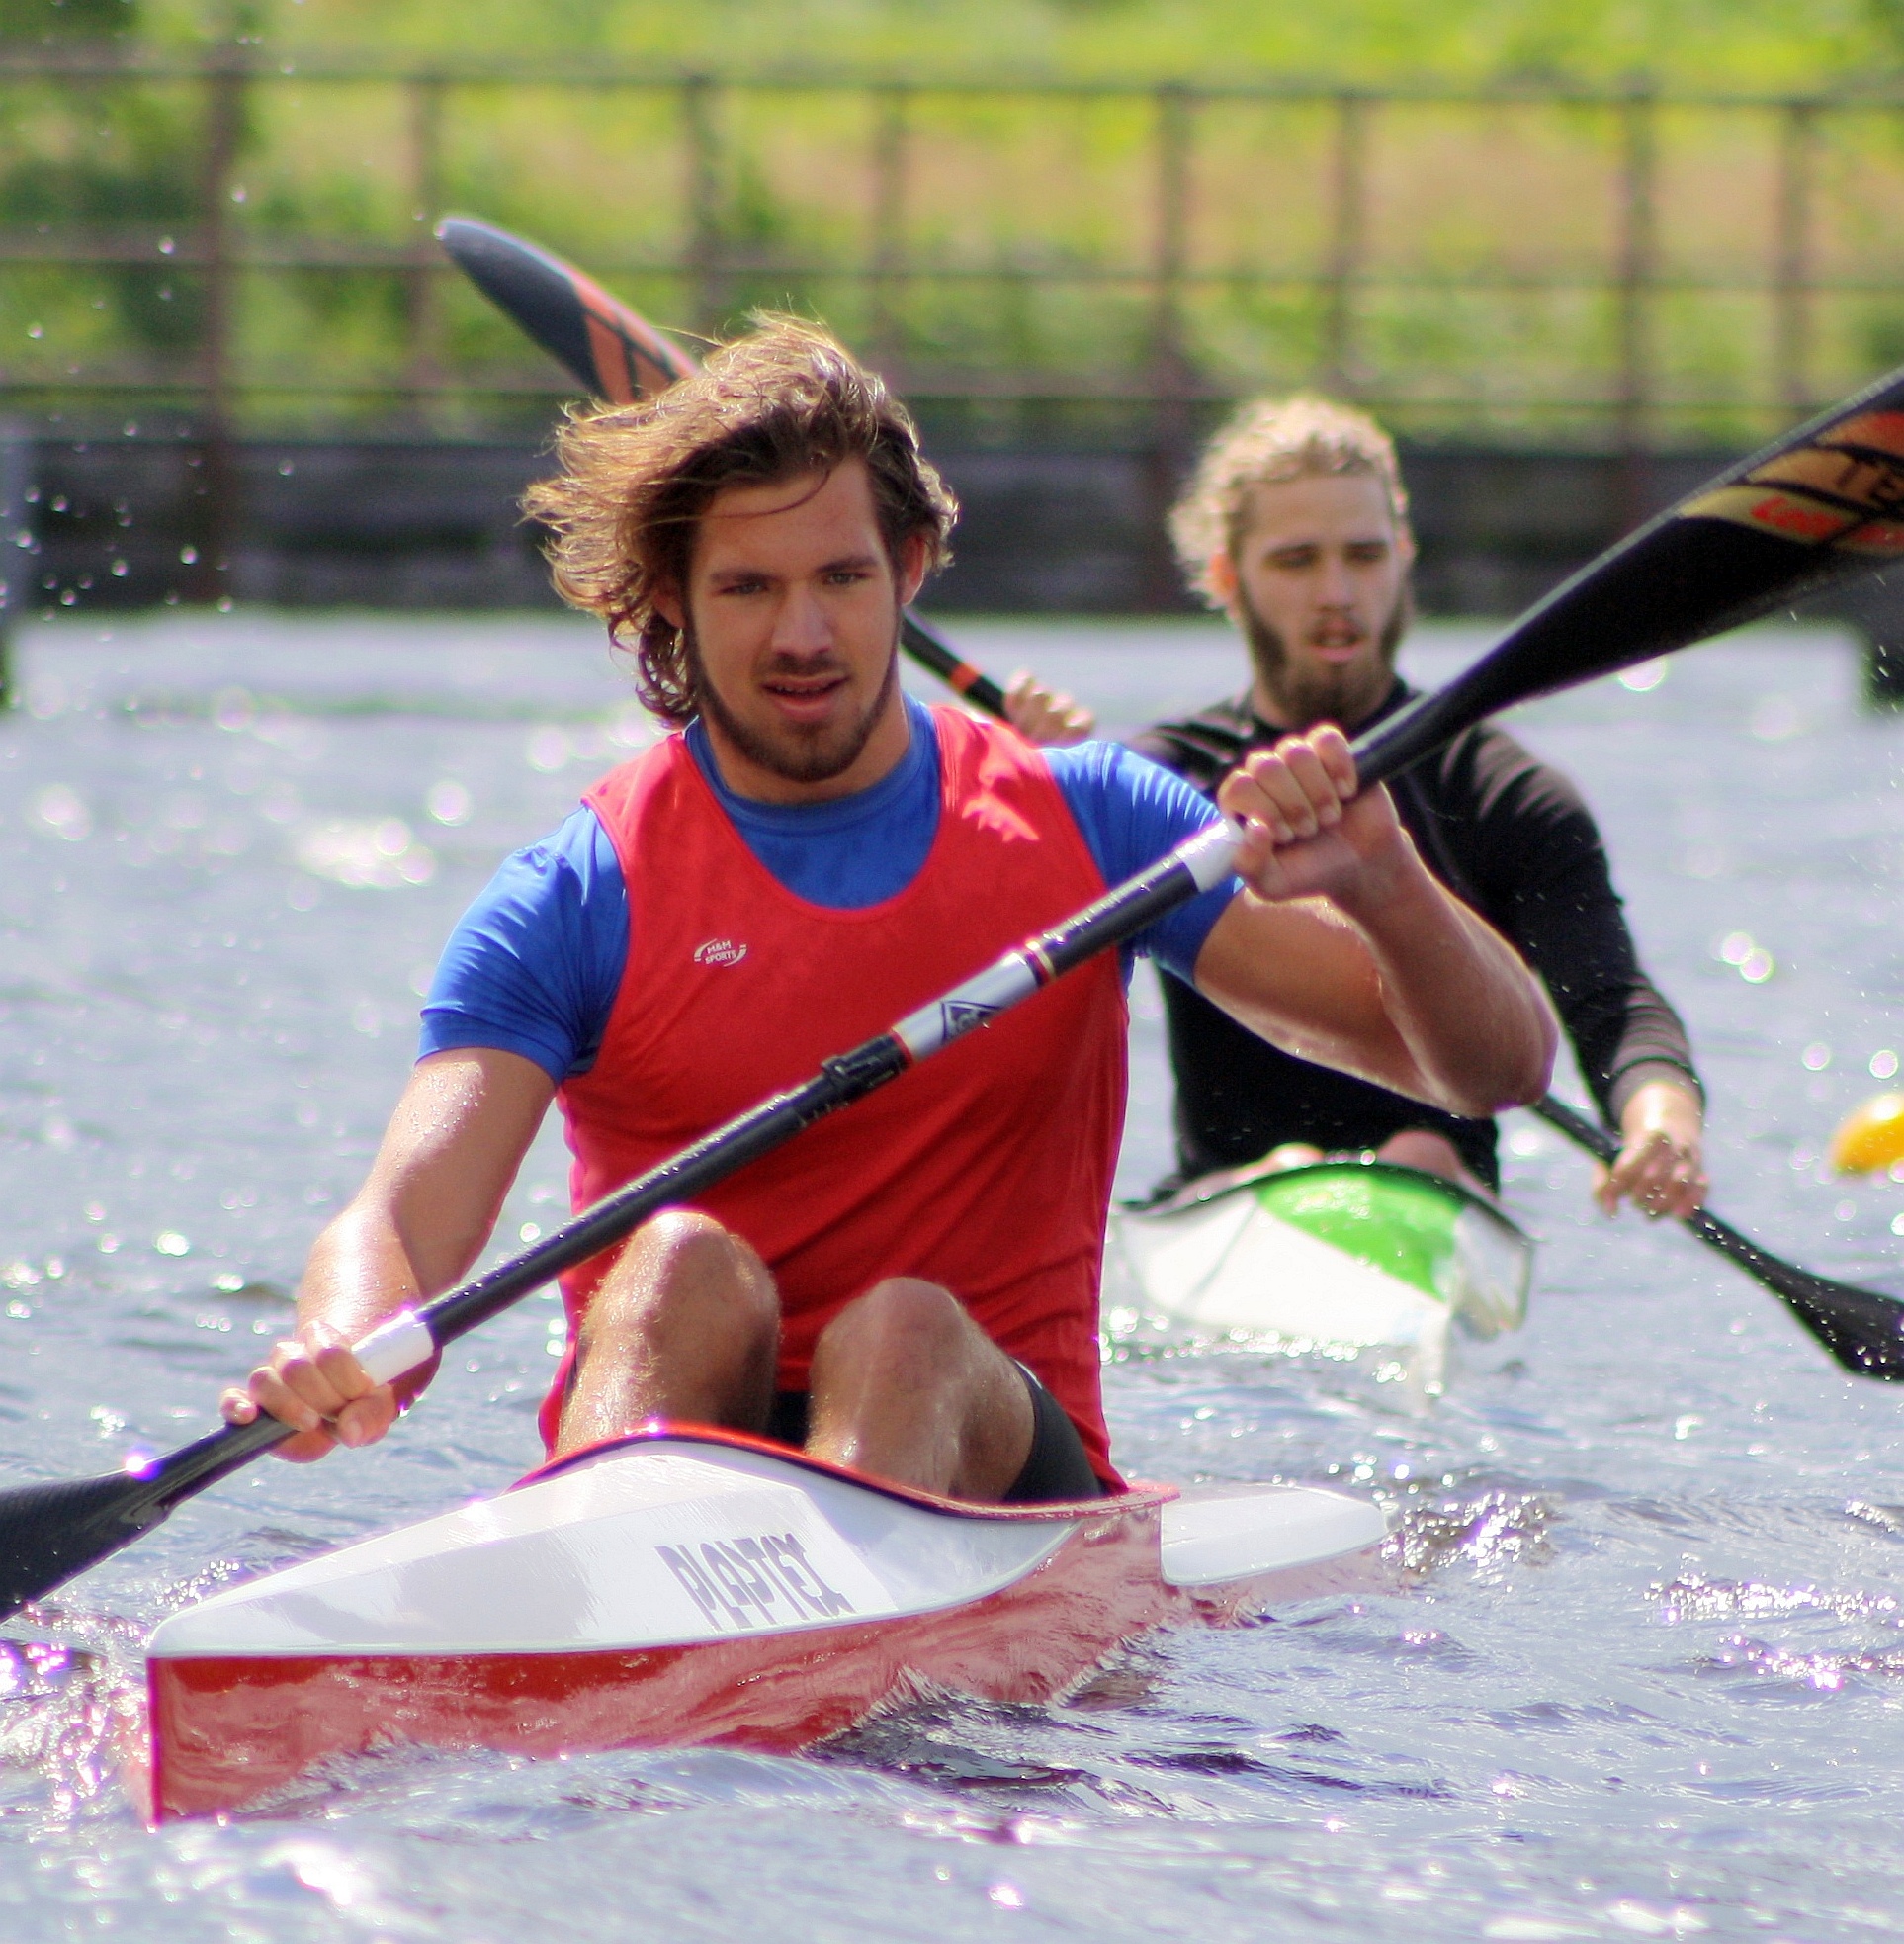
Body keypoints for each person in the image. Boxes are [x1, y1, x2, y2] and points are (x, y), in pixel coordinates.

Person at [220, 326, 1556, 1503]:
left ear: (907, 568)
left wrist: (1388, 887)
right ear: (669, 604)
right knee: (679, 1262)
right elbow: (399, 1217)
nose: (801, 633)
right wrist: (341, 1336)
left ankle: (803, 1605)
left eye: (840, 579)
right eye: (746, 587)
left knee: (902, 1327)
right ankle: (599, 1583)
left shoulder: (1095, 826)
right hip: (673, 1443)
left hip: (989, 1466)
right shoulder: (579, 890)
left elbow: (1493, 1070)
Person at [1132, 395, 1705, 1218]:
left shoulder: (1504, 792)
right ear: (1229, 577)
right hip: (1227, 1197)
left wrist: (1663, 1120)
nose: (1337, 593)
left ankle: (1403, 1175)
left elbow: (1612, 1002)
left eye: (1364, 556)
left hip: (1438, 1195)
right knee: (1306, 1163)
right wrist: (1040, 775)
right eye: (1297, 561)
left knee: (1422, 1150)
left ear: (1403, 556)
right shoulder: (1168, 780)